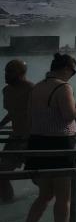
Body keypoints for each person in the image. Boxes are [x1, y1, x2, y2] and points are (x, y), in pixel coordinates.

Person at [24, 53, 76, 222]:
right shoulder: (63, 87)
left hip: (37, 144)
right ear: (65, 69)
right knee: (63, 198)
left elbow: (30, 117)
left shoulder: (37, 87)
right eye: (73, 71)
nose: (73, 75)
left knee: (45, 195)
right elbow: (69, 115)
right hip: (59, 146)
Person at [1, 59, 34, 202]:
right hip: (15, 137)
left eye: (10, 72)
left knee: (39, 177)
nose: (6, 75)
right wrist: (1, 124)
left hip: (32, 138)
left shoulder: (33, 90)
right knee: (1, 173)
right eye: (5, 71)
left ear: (21, 73)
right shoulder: (6, 91)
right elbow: (13, 112)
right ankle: (7, 202)